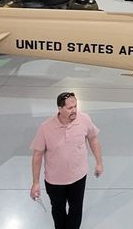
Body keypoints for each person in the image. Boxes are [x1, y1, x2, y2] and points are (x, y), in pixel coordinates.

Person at [30, 92, 103, 229]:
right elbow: (37, 155)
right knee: (58, 212)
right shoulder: (46, 128)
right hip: (55, 182)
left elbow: (93, 139)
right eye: (70, 108)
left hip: (78, 178)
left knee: (76, 210)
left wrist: (99, 162)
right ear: (59, 109)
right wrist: (35, 183)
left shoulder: (84, 119)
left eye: (75, 106)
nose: (74, 110)